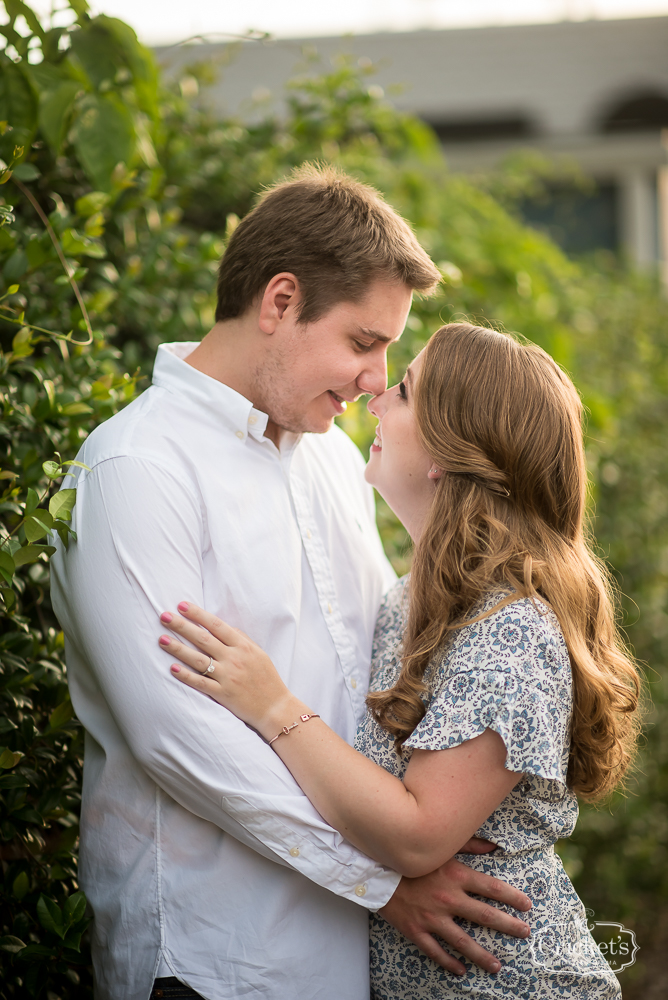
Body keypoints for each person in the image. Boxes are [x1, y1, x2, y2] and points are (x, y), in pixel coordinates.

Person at [51, 170, 533, 1000]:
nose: (377, 381)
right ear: (280, 301)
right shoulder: (138, 467)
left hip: (353, 954)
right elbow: (178, 740)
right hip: (212, 960)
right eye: (362, 343)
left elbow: (385, 672)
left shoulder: (333, 460)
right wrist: (383, 880)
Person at [158, 322, 642, 999]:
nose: (378, 396)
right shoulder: (411, 600)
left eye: (406, 391)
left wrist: (272, 706)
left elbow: (416, 838)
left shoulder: (514, 629)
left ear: (450, 451)